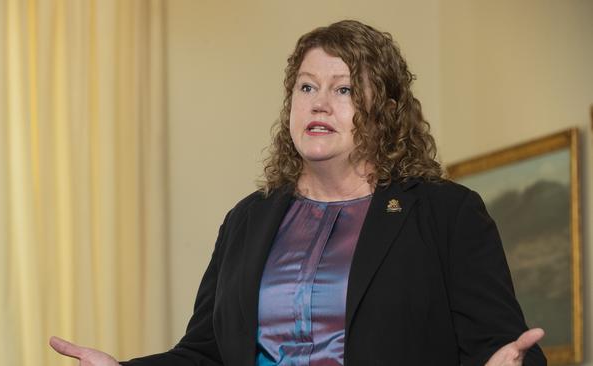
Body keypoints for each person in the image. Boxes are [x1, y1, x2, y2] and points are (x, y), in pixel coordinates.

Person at [50, 20, 547, 365]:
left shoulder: (446, 214)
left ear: (386, 110)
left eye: (344, 89)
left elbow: (501, 347)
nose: (320, 104)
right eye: (307, 88)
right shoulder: (247, 221)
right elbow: (206, 354)